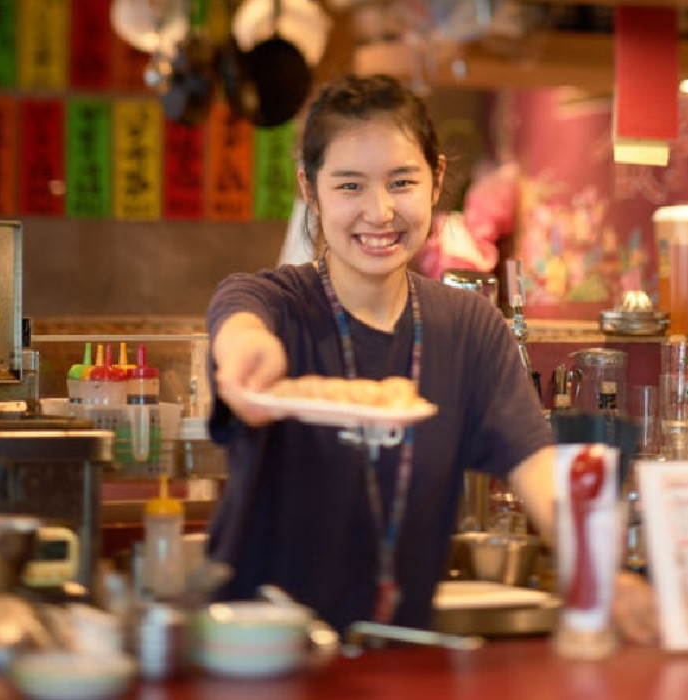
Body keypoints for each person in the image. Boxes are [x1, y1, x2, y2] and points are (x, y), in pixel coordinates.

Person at [206, 73, 657, 643]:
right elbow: (240, 329)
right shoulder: (272, 303)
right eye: (349, 186)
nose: (379, 211)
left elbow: (536, 469)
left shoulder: (469, 328)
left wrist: (599, 574)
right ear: (308, 188)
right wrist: (250, 361)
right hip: (257, 658)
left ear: (437, 178)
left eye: (401, 182)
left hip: (401, 654)